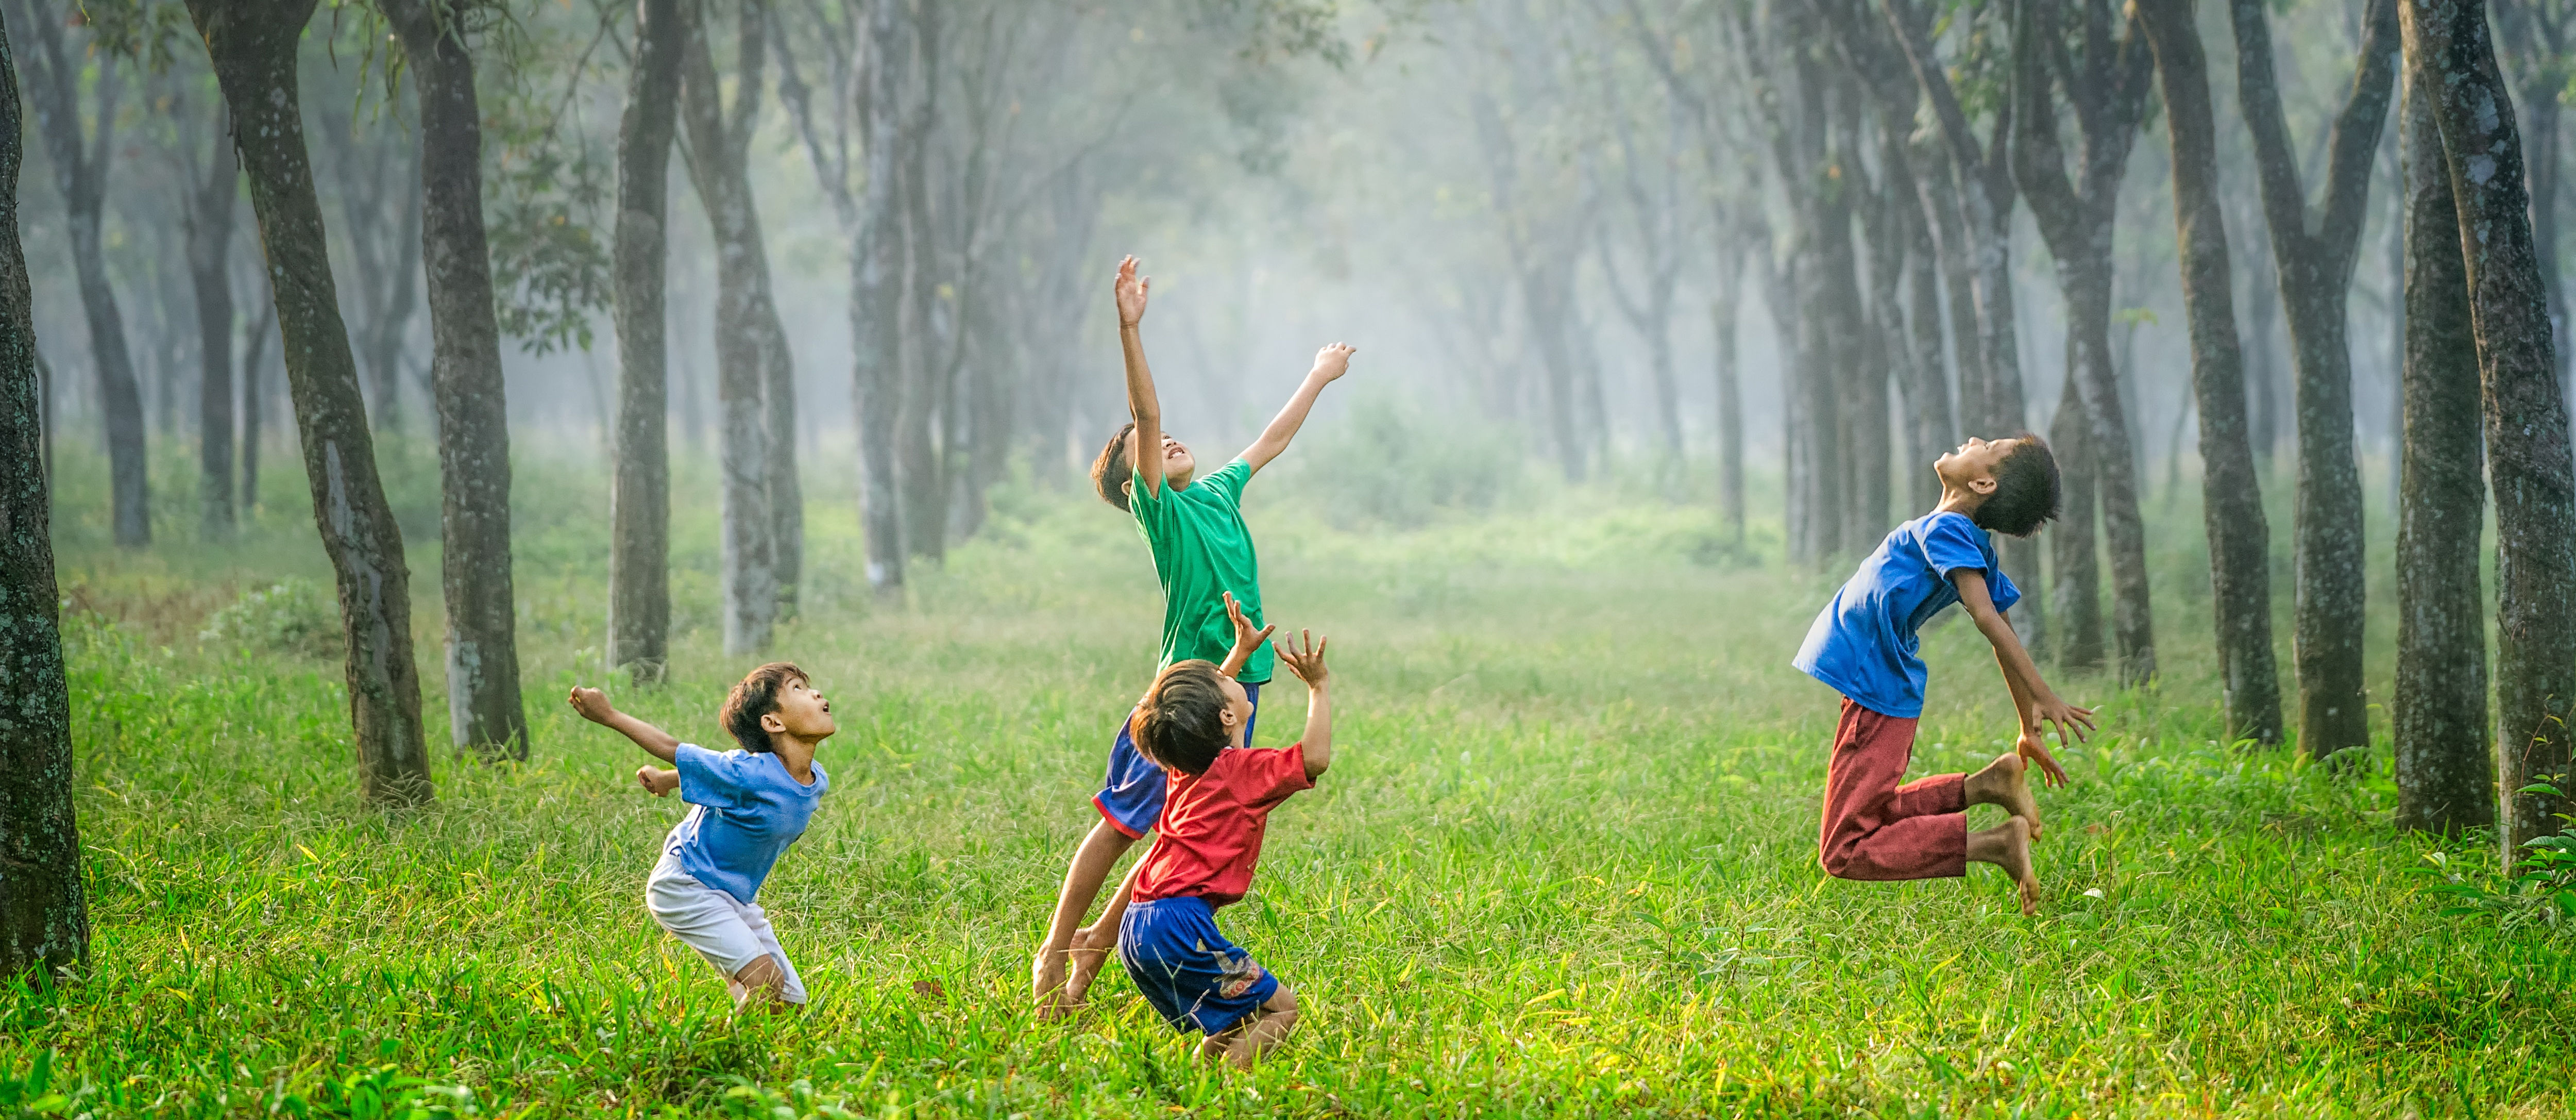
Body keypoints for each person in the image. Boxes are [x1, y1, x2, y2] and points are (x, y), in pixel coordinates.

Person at [1031, 254, 1357, 1014]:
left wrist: (1317, 376)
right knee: (1121, 824)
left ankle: (1085, 973)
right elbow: (1145, 416)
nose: (1166, 438)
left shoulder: (1215, 491)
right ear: (1132, 482)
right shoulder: (1163, 513)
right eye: (1146, 448)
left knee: (1178, 837)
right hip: (1184, 693)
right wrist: (1129, 327)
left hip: (1237, 688)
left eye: (1172, 437)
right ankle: (1055, 952)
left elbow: (1271, 441)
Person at [1791, 434, 2092, 915]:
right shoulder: (1961, 535)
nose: (1974, 439)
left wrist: (2043, 694)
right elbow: (2002, 629)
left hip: (1877, 687)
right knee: (1872, 813)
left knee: (1844, 848)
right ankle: (1988, 785)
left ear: (1983, 481)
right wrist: (2025, 724)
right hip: (1877, 685)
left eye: (1988, 444)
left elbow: (1989, 618)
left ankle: (1995, 845)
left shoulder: (1951, 530)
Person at [1118, 610, 1333, 1068]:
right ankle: (1228, 1094)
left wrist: (1238, 654)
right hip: (1180, 928)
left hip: (1138, 925)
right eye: (1226, 683)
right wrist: (1319, 687)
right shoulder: (1242, 772)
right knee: (1282, 1009)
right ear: (1227, 714)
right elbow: (1314, 758)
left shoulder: (1184, 764)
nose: (1228, 678)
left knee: (1234, 1017)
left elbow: (1201, 707)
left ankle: (1196, 1083)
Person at [568, 663, 834, 1009]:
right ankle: (713, 1054)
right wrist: (609, 715)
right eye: (798, 688)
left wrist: (667, 779)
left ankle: (747, 1014)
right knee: (766, 986)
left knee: (789, 1002)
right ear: (773, 722)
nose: (815, 693)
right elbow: (673, 747)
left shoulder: (816, 780)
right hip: (686, 885)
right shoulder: (748, 771)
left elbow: (721, 780)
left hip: (734, 897)